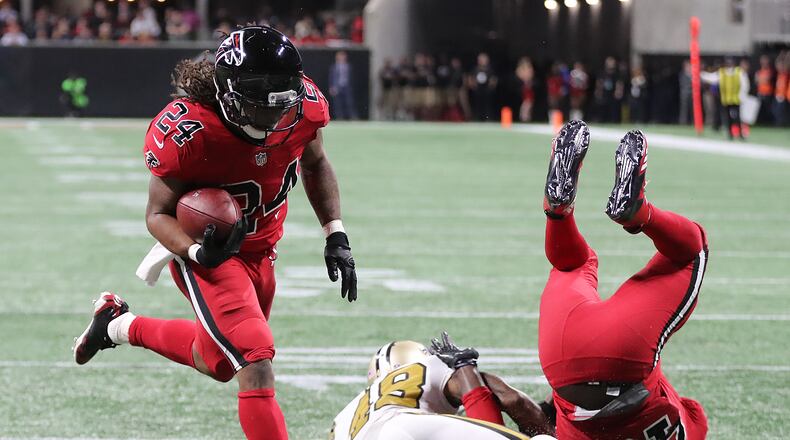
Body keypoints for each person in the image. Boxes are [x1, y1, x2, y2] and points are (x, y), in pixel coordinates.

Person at [73, 26, 358, 440]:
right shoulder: (190, 131)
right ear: (229, 93)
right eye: (260, 103)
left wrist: (335, 234)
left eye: (282, 101)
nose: (275, 115)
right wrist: (195, 253)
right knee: (255, 362)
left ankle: (117, 324)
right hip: (209, 252)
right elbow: (157, 214)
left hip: (263, 249)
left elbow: (315, 163)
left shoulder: (302, 108)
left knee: (219, 362)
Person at [540, 120, 709, 439]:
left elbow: (694, 413)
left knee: (691, 253)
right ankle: (556, 212)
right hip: (560, 361)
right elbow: (523, 411)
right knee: (569, 267)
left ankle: (638, 213)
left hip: (624, 355)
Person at [331, 333, 555, 440]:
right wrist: (464, 364)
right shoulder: (429, 365)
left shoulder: (345, 416)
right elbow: (512, 399)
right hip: (405, 428)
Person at [329, 51, 358, 120]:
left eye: (343, 56)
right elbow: (331, 78)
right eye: (340, 56)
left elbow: (351, 78)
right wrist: (331, 87)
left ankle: (352, 117)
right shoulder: (334, 67)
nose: (342, 58)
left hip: (346, 87)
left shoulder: (348, 66)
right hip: (337, 87)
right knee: (338, 104)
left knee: (349, 103)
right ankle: (339, 117)